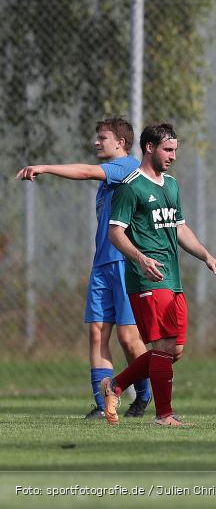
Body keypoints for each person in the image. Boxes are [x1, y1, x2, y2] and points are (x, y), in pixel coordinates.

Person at [15, 117, 152, 419]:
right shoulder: (108, 183)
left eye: (102, 138)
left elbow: (87, 171)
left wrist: (45, 167)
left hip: (125, 265)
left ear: (120, 143)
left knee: (129, 339)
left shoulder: (127, 167)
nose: (96, 142)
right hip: (102, 265)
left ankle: (144, 396)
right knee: (96, 334)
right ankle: (104, 405)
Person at [99, 122, 216, 427]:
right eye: (168, 149)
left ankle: (114, 386)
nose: (173, 156)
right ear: (149, 148)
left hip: (172, 278)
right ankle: (164, 415)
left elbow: (179, 227)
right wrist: (140, 259)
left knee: (174, 351)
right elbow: (115, 233)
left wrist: (206, 255)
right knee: (164, 349)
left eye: (175, 150)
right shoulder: (131, 187)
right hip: (147, 279)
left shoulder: (171, 185)